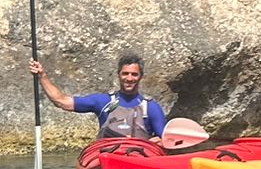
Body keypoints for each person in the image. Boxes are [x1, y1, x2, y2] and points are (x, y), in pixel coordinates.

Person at [31, 52, 167, 139]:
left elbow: (166, 141)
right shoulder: (103, 101)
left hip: (140, 157)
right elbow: (62, 101)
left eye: (134, 74)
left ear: (140, 77)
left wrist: (156, 142)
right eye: (125, 73)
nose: (129, 78)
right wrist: (42, 76)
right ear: (118, 75)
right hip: (108, 155)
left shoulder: (151, 108)